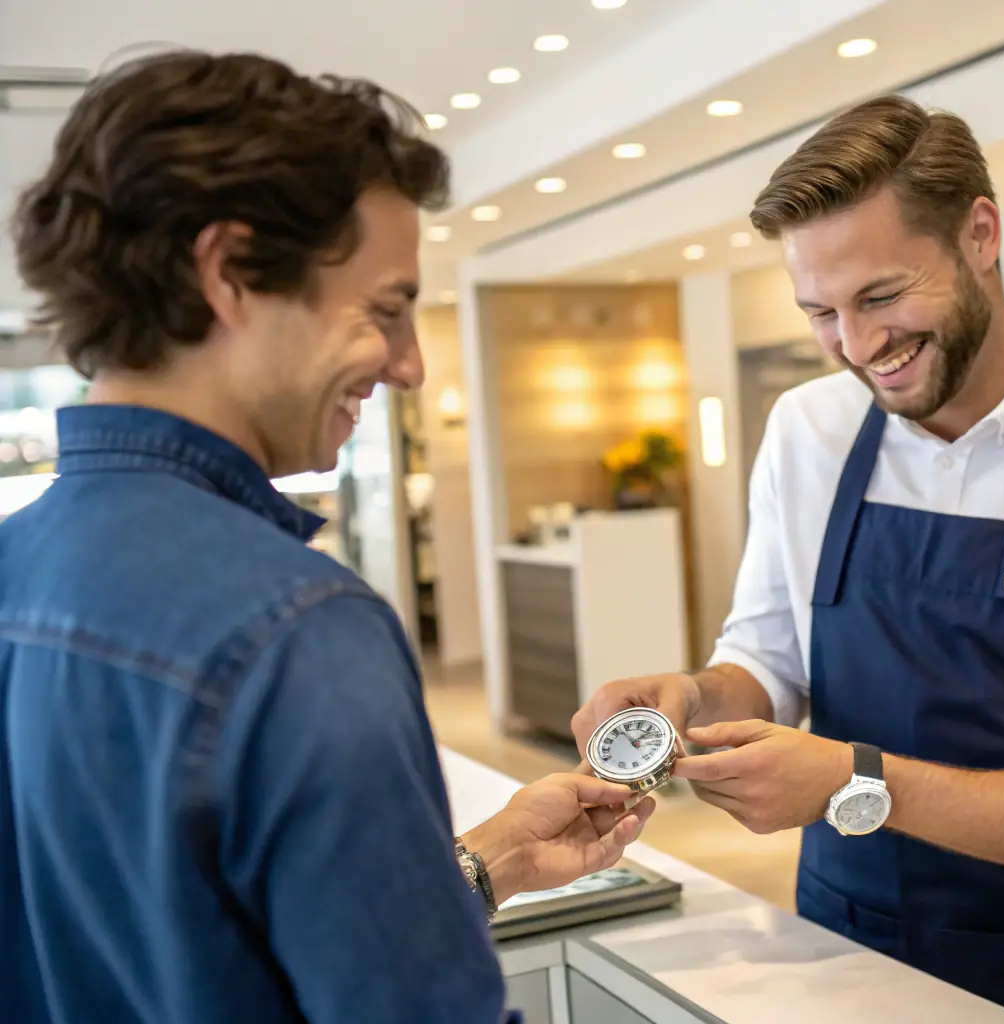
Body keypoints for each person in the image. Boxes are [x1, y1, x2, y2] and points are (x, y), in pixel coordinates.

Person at [0, 50, 654, 1024]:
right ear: (227, 273)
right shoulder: (296, 626)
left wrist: (483, 865)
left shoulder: (17, 568)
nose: (412, 365)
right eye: (387, 310)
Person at [573, 94, 1004, 1023]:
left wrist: (858, 783)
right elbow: (768, 660)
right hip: (836, 946)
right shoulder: (808, 429)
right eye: (821, 312)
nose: (856, 347)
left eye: (882, 297)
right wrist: (694, 696)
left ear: (980, 234)